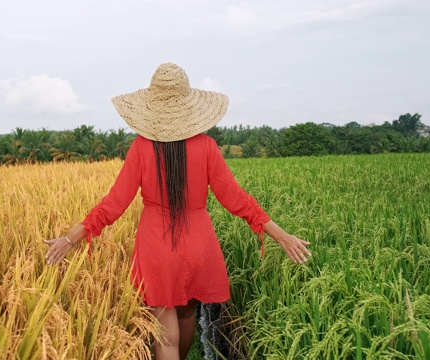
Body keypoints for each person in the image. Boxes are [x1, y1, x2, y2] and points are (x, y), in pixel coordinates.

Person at [44, 63, 312, 360]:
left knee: (165, 338)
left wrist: (69, 239)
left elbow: (113, 204)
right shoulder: (207, 147)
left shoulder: (141, 148)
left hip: (156, 246)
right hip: (199, 244)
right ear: (188, 106)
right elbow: (236, 198)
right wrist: (281, 235)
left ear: (152, 106)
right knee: (186, 318)